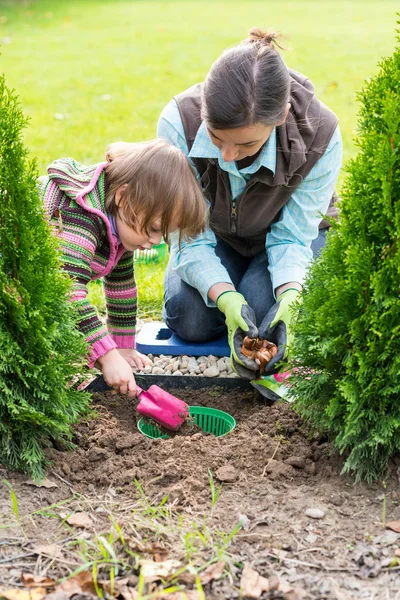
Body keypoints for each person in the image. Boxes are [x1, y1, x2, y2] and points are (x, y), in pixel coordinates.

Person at [157, 27, 342, 395]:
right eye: (216, 136)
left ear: (282, 115)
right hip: (215, 236)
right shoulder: (178, 122)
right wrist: (224, 296)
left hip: (289, 242)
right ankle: (231, 284)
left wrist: (292, 295)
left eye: (246, 143)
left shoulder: (320, 135)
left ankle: (257, 288)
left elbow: (292, 236)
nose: (226, 155)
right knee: (189, 316)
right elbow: (190, 236)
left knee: (265, 312)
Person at [39, 140, 207, 397]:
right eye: (152, 229)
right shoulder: (80, 216)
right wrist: (107, 357)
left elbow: (121, 287)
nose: (154, 241)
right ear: (123, 197)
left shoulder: (121, 223)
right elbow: (67, 290)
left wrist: (122, 347)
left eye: (163, 235)